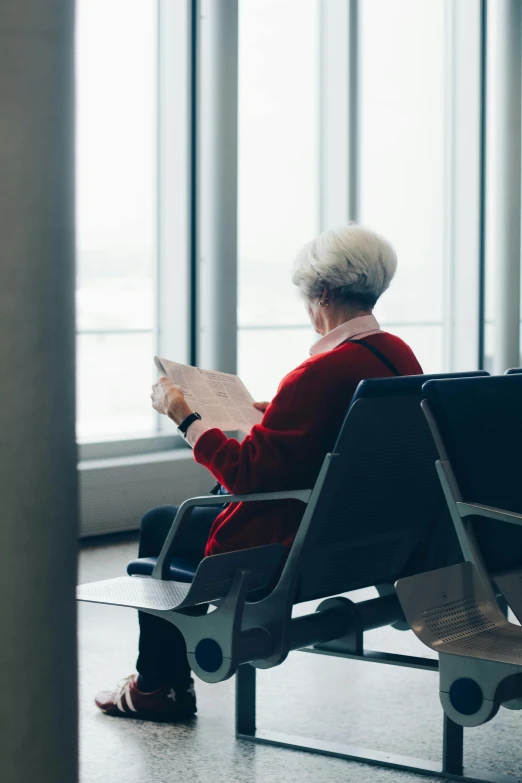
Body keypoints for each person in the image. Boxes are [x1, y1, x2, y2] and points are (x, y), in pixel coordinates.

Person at [95, 223, 423, 721]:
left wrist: (185, 417)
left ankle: (158, 686)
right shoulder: (398, 356)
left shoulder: (316, 374)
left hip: (291, 546)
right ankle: (157, 682)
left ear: (326, 294)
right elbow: (339, 433)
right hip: (364, 542)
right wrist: (276, 415)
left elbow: (248, 475)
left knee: (163, 524)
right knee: (186, 514)